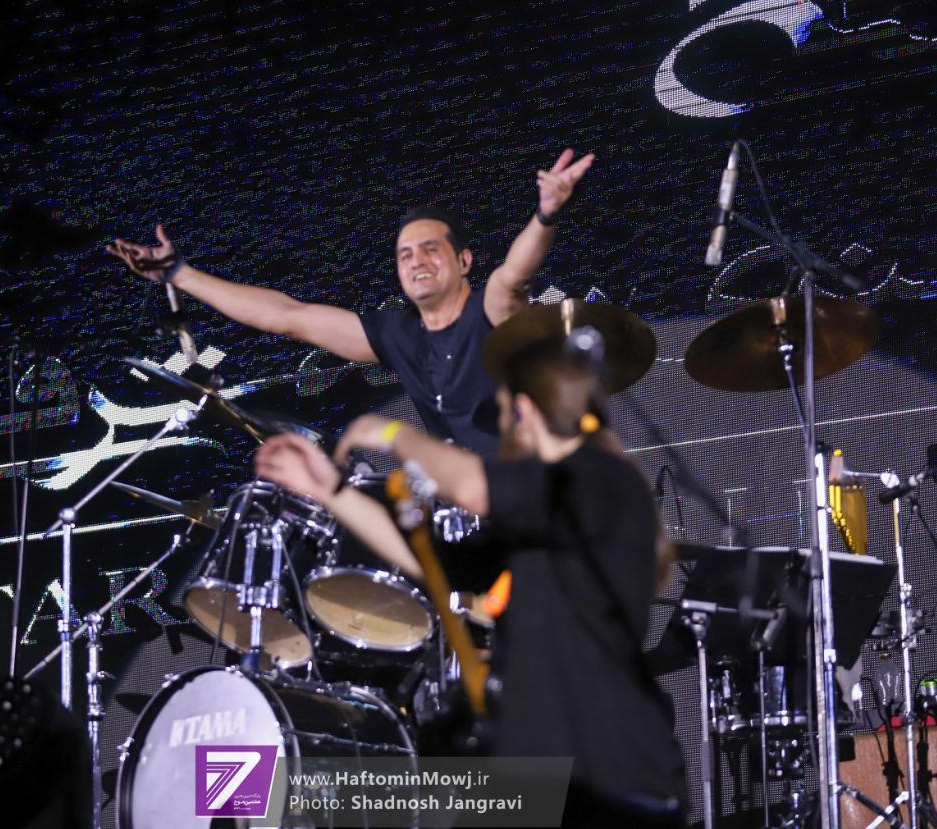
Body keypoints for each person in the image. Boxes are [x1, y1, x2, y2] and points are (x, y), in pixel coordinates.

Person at [254, 326, 687, 828]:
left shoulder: (598, 478)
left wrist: (394, 435)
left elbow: (473, 489)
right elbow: (434, 564)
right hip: (543, 777)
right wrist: (331, 490)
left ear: (524, 411)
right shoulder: (536, 525)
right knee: (317, 792)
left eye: (501, 412)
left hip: (611, 773)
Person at [106, 150, 594, 457]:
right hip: (468, 503)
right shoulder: (397, 333)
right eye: (405, 254)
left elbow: (515, 274)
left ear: (464, 260)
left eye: (431, 249)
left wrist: (545, 215)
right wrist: (179, 274)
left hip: (536, 485)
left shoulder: (490, 310)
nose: (417, 262)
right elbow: (288, 317)